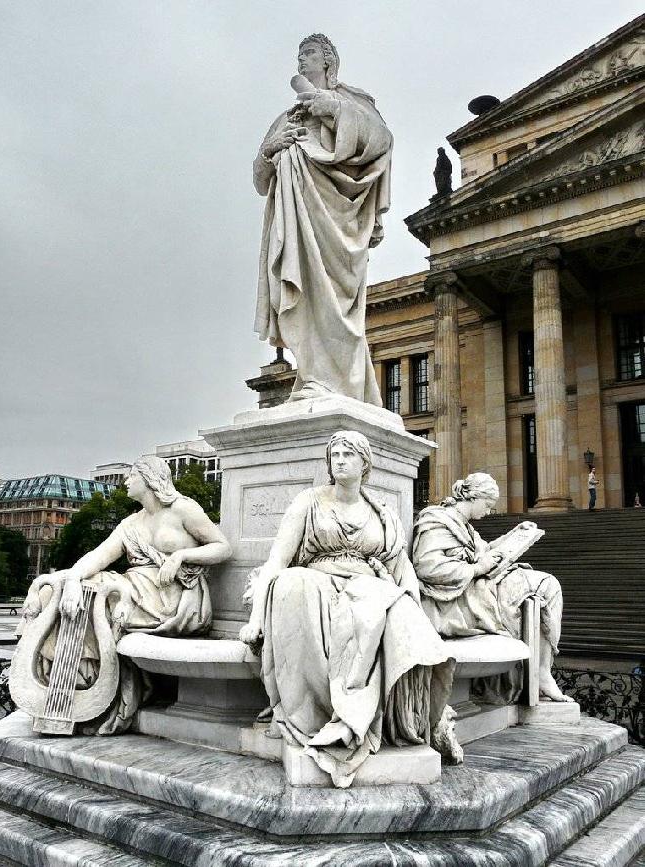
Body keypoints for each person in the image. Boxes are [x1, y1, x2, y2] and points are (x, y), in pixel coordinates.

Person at [240, 431, 459, 788]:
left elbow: (401, 567)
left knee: (399, 613)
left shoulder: (381, 513)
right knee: (295, 585)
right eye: (335, 454)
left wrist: (413, 607)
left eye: (348, 454)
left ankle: (412, 720)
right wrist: (255, 618)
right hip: (321, 581)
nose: (340, 460)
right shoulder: (308, 502)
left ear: (364, 463)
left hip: (368, 586)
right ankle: (319, 716)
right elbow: (277, 559)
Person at [20, 456, 232, 734]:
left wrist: (181, 555)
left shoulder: (183, 510)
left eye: (132, 476)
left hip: (175, 598)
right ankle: (75, 688)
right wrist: (72, 578)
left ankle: (90, 691)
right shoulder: (131, 523)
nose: (126, 481)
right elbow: (97, 557)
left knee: (100, 599)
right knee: (70, 591)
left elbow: (222, 548)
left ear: (149, 479)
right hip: (136, 588)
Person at [253, 34, 392, 405]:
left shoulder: (352, 101)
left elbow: (380, 140)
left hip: (339, 220)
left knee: (335, 300)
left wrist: (331, 108)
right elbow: (259, 181)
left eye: (309, 53)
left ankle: (339, 382)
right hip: (296, 219)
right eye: (298, 54)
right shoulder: (285, 119)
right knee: (304, 297)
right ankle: (314, 375)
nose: (301, 60)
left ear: (329, 60)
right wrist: (270, 150)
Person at [413, 473, 573, 705]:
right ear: (473, 497)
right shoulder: (437, 521)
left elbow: (484, 549)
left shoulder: (463, 525)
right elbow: (429, 568)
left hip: (477, 586)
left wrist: (514, 534)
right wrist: (478, 568)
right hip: (456, 597)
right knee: (545, 585)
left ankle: (541, 671)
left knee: (547, 586)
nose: (488, 512)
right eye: (487, 505)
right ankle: (541, 673)